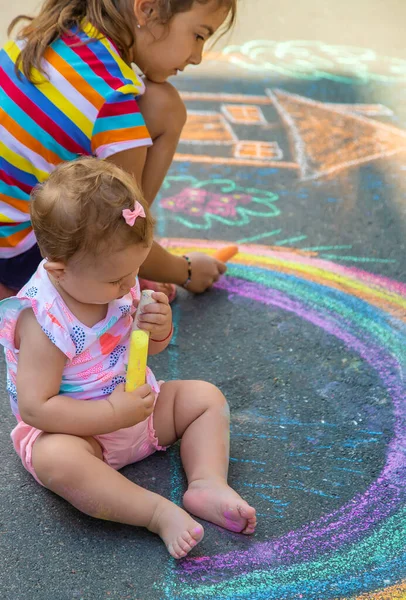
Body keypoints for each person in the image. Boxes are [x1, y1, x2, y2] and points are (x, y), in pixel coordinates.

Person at [0, 158, 256, 559]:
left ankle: (207, 483)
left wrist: (158, 330)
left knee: (205, 398)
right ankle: (154, 512)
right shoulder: (45, 321)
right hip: (78, 433)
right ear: (60, 271)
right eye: (117, 279)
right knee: (57, 461)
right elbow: (36, 408)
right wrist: (110, 414)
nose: (127, 285)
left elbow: (146, 349)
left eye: (134, 272)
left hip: (137, 407)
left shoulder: (113, 278)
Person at [0, 0, 235, 300]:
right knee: (166, 108)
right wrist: (186, 271)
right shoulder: (112, 101)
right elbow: (118, 231)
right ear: (147, 10)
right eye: (199, 35)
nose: (198, 57)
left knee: (157, 105)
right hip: (17, 254)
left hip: (8, 227)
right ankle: (45, 287)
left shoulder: (50, 32)